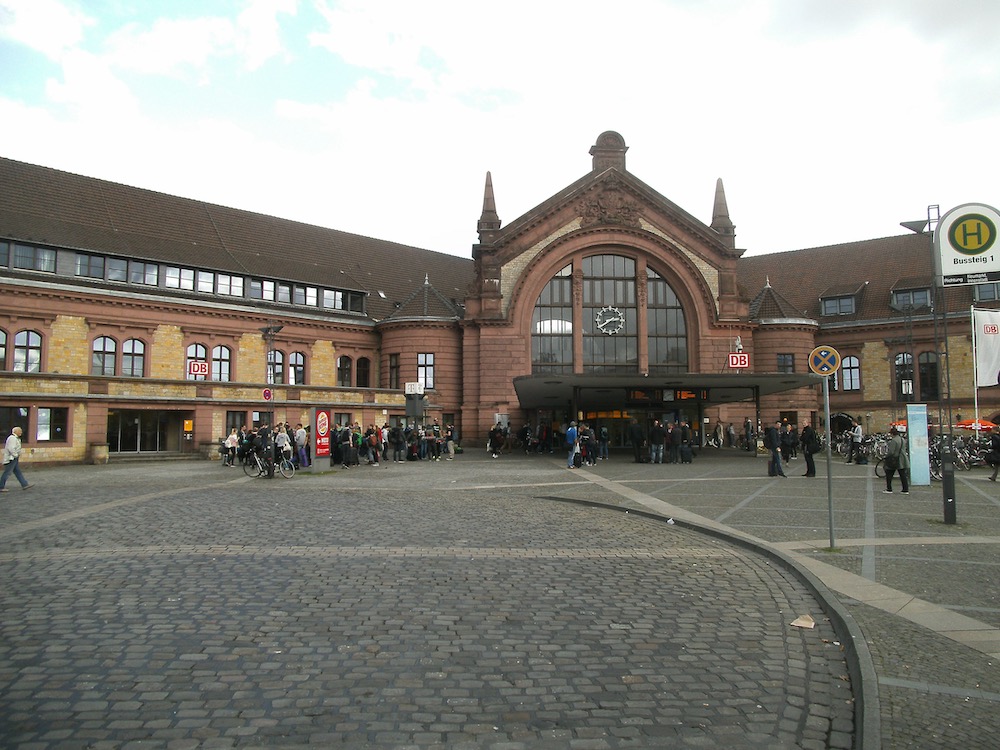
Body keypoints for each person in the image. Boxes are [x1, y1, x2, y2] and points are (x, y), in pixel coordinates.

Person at [1, 426, 33, 492]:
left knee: (17, 472)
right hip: (11, 458)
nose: (21, 432)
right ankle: (1, 486)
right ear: (16, 431)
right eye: (20, 431)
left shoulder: (16, 438)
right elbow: (11, 448)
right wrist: (15, 455)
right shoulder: (12, 438)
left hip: (13, 458)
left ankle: (24, 484)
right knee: (7, 473)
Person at [883, 426, 909, 494]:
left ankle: (889, 488)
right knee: (903, 475)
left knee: (889, 474)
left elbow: (891, 451)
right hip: (903, 458)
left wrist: (886, 456)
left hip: (895, 459)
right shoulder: (902, 439)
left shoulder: (894, 441)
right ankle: (905, 489)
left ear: (892, 434)